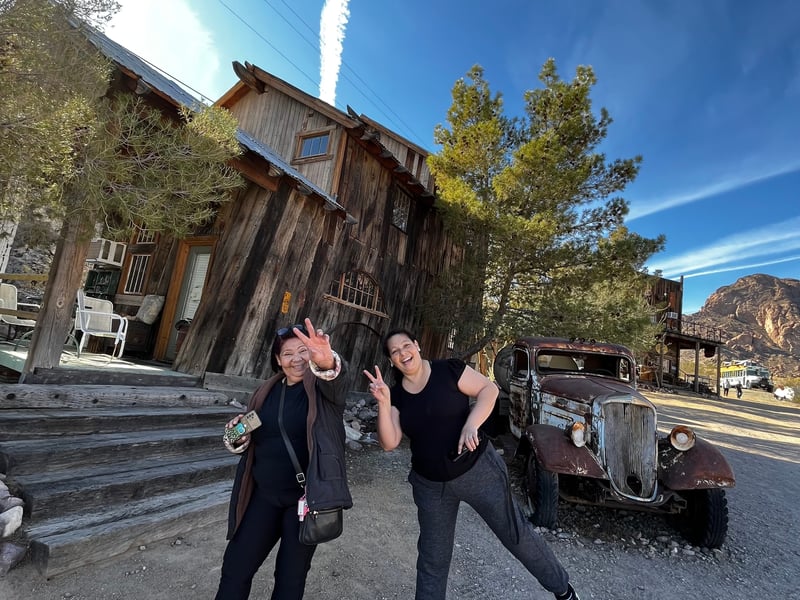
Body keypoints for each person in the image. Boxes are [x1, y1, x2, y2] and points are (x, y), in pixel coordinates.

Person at [364, 328, 580, 600]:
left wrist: (471, 425)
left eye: (406, 345)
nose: (402, 353)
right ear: (391, 360)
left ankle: (564, 590)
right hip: (431, 486)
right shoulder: (396, 396)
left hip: (478, 471)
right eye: (395, 352)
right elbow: (389, 442)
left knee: (515, 534)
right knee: (432, 559)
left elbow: (488, 389)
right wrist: (383, 404)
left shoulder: (448, 370)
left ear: (417, 346)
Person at [215, 318, 352, 600]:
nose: (297, 359)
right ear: (278, 360)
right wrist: (235, 435)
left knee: (290, 579)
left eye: (303, 351)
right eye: (288, 354)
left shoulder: (324, 392)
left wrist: (327, 361)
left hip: (303, 502)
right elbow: (245, 436)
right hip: (264, 497)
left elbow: (336, 379)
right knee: (235, 568)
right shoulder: (265, 393)